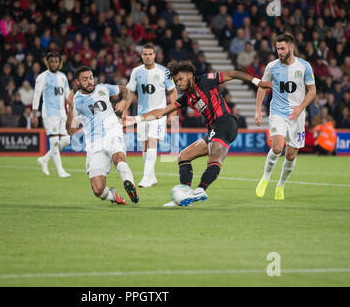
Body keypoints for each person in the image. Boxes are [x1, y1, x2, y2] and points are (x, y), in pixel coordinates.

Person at [126, 60, 272, 206]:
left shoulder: (205, 80)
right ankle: (185, 195)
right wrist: (137, 118)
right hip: (213, 129)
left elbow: (233, 74)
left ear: (190, 75)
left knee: (215, 153)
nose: (179, 83)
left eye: (181, 79)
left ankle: (201, 189)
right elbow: (163, 111)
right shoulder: (186, 97)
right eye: (176, 81)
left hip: (226, 122)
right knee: (184, 156)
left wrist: (257, 82)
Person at [255, 33, 316, 200]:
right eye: (277, 49)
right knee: (277, 148)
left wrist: (300, 108)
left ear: (291, 47)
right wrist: (258, 110)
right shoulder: (272, 66)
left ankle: (280, 185)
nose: (279, 52)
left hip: (297, 115)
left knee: (291, 155)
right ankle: (265, 177)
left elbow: (312, 91)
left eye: (282, 48)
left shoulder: (304, 66)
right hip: (278, 113)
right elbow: (261, 87)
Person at [66, 66, 139, 205]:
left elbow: (125, 90)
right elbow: (70, 130)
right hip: (94, 143)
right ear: (77, 82)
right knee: (98, 190)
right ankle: (113, 196)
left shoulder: (103, 88)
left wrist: (123, 101)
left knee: (119, 158)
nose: (90, 82)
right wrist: (70, 110)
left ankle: (129, 184)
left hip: (113, 131)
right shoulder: (76, 101)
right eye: (85, 79)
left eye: (91, 77)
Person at [126, 43, 177, 188]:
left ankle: (145, 178)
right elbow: (130, 93)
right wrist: (125, 110)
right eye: (145, 54)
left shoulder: (164, 71)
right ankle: (152, 177)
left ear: (155, 55)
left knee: (152, 142)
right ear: (141, 56)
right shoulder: (136, 72)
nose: (148, 57)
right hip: (142, 114)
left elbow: (173, 91)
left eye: (150, 54)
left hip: (159, 114)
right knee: (145, 145)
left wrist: (172, 112)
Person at [32, 52, 71, 178]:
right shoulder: (42, 77)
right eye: (52, 61)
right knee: (54, 142)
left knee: (66, 140)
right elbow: (37, 95)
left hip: (62, 113)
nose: (54, 63)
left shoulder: (63, 77)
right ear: (47, 62)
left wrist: (71, 112)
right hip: (49, 113)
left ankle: (45, 159)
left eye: (56, 61)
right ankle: (60, 171)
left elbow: (67, 96)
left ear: (60, 63)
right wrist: (34, 114)